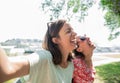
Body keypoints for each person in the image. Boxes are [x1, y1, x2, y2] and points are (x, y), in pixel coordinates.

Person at [0, 19, 95, 83]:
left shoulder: (70, 65)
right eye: (68, 31)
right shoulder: (44, 57)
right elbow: (7, 70)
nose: (75, 33)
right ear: (56, 40)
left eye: (73, 30)